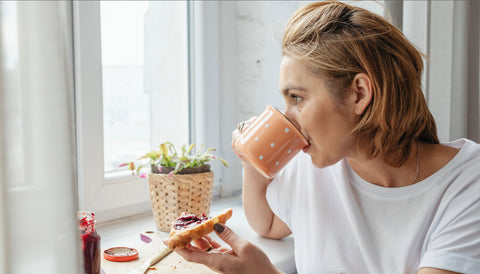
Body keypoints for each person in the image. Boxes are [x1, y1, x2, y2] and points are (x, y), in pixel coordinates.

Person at [166, 1, 480, 273]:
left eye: (297, 98)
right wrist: (252, 164)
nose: (285, 117)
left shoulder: (468, 184)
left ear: (359, 93)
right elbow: (269, 225)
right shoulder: (320, 163)